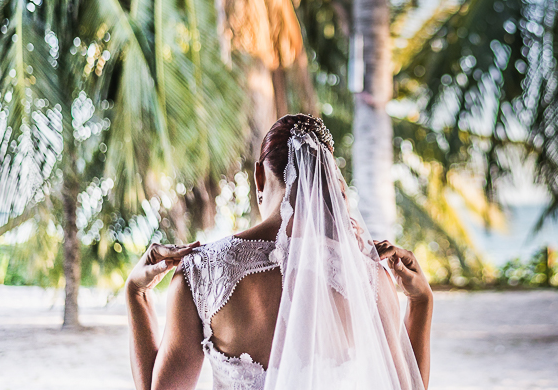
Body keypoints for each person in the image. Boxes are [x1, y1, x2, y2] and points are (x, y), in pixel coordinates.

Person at [125, 114, 433, 390]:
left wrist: (136, 294)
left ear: (259, 176)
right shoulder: (369, 279)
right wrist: (421, 303)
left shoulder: (201, 273)